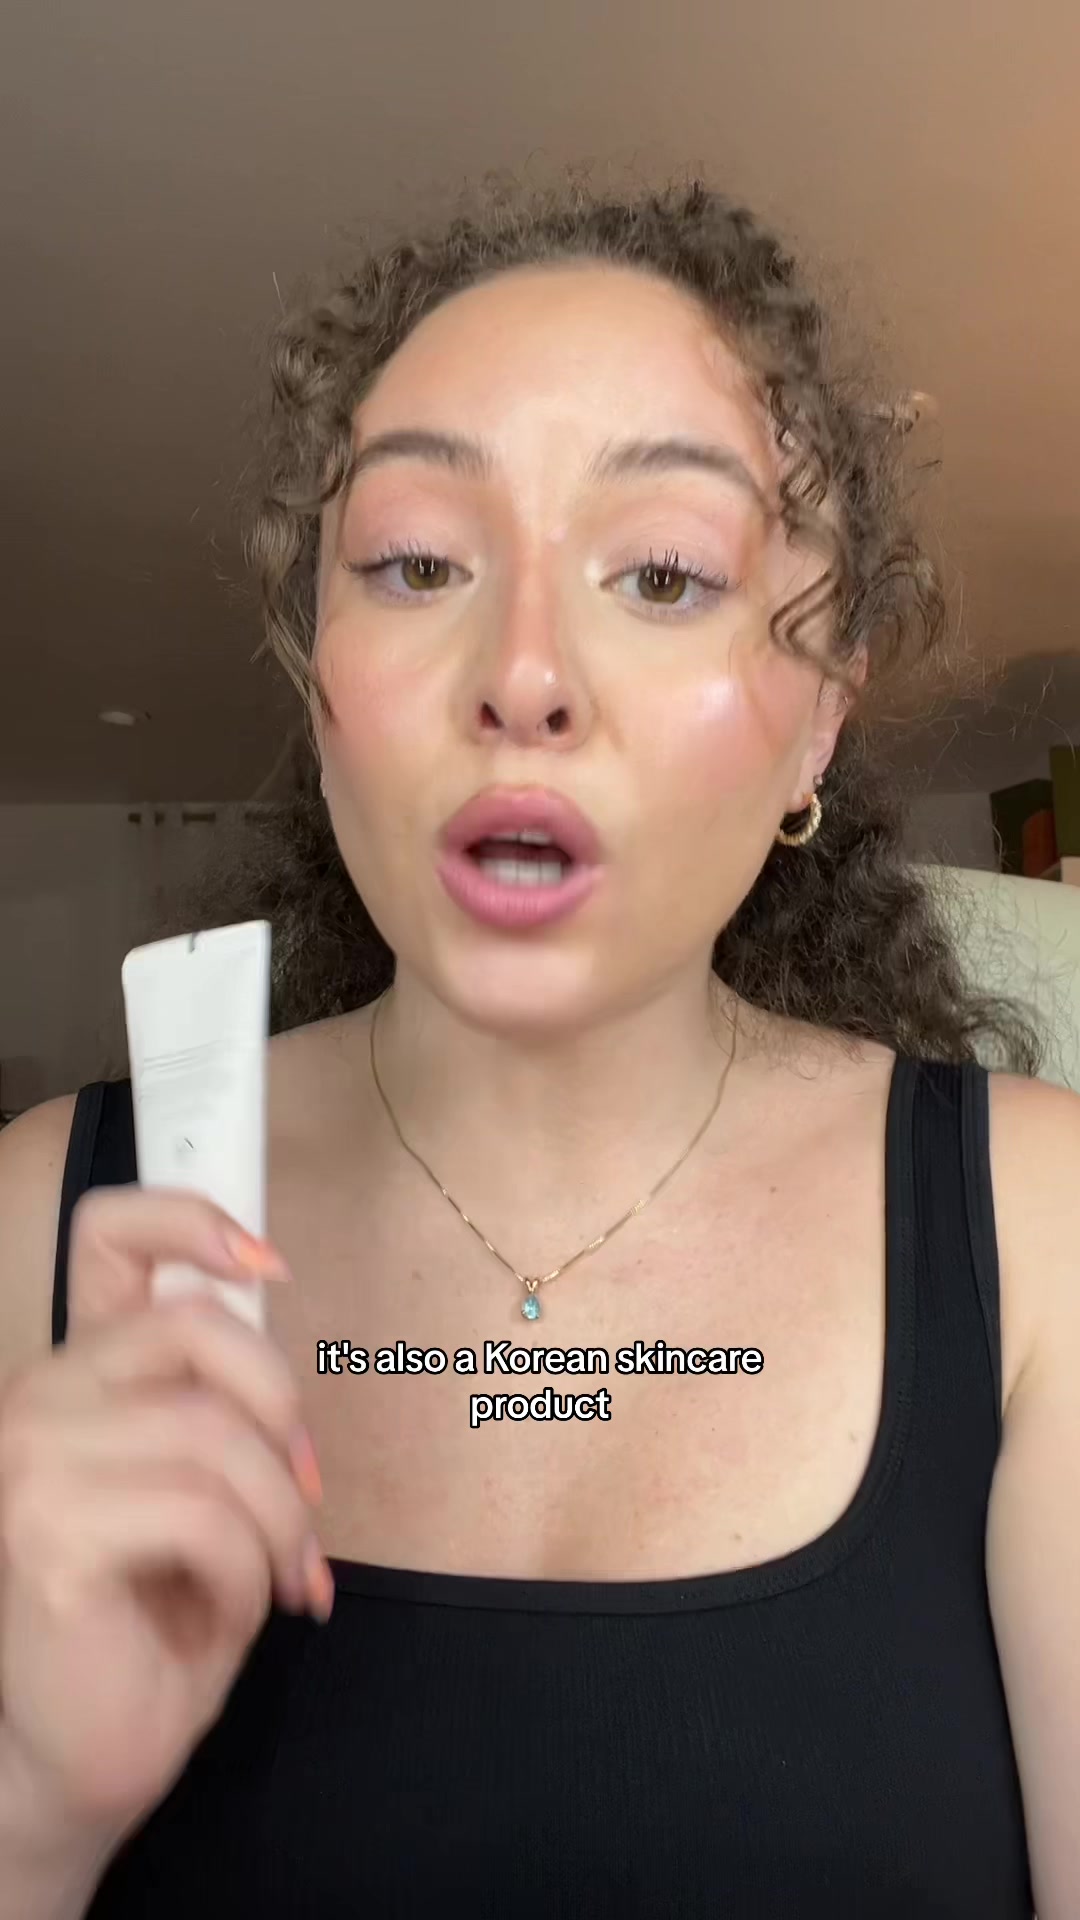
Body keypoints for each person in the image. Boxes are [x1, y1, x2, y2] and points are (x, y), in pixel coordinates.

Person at [0, 171, 1076, 1920]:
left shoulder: (1044, 1235)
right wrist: (29, 1806)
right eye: (418, 563)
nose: (522, 673)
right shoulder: (40, 1225)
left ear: (822, 712)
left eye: (662, 573)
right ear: (318, 679)